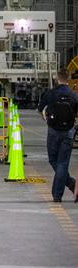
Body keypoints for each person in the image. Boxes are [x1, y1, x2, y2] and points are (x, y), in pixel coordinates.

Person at [38, 68, 78, 203]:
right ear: (69, 79)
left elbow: (40, 109)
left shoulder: (51, 93)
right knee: (63, 163)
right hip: (68, 131)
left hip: (53, 131)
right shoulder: (74, 95)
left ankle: (64, 190)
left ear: (57, 78)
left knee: (53, 160)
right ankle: (62, 190)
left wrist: (47, 120)